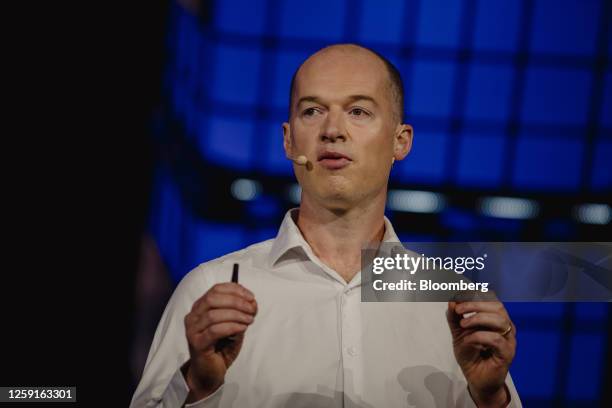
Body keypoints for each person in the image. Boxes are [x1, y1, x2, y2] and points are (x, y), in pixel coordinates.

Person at [131, 44, 521, 407]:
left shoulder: (452, 307)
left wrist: (489, 399)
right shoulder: (209, 290)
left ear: (400, 142)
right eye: (312, 111)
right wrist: (197, 383)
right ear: (288, 140)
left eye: (359, 112)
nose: (332, 130)